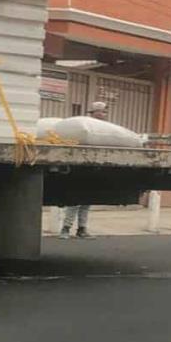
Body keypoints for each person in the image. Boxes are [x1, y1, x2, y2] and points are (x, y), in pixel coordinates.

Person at [60, 102, 108, 239]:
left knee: (87, 200)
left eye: (105, 112)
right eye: (101, 112)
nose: (104, 115)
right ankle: (65, 228)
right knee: (74, 201)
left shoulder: (106, 129)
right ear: (94, 113)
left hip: (94, 167)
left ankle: (82, 228)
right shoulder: (84, 126)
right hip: (80, 166)